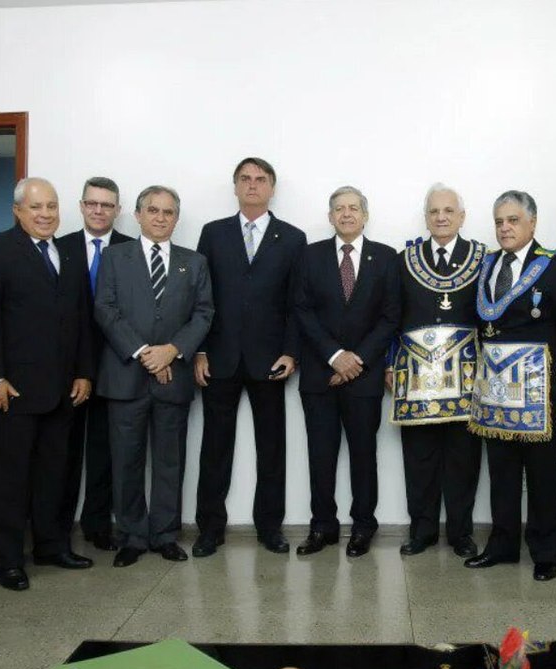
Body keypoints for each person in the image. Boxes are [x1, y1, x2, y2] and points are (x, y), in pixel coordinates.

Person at [0, 177, 95, 591]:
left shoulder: (70, 255)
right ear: (18, 211)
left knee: (52, 475)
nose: (45, 215)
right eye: (37, 207)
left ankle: (51, 546)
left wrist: (83, 372)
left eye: (52, 207)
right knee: (9, 478)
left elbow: (79, 320)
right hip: (11, 390)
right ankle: (7, 558)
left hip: (61, 390)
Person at [464, 190, 556, 582]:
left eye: (513, 220)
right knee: (501, 473)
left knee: (542, 476)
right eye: (499, 221)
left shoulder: (555, 266)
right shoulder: (486, 266)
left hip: (541, 393)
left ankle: (546, 552)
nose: (505, 228)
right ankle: (501, 546)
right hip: (496, 392)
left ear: (532, 223)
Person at [192, 157, 307, 557]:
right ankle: (209, 529)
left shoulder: (293, 238)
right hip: (219, 358)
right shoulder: (213, 233)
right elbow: (200, 297)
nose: (253, 185)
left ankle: (269, 527)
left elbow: (297, 303)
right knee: (214, 448)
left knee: (271, 448)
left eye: (260, 180)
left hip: (270, 360)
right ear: (235, 186)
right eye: (245, 179)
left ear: (272, 187)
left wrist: (292, 352)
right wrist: (200, 350)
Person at [94, 186, 214, 567]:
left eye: (168, 212)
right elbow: (105, 309)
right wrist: (145, 353)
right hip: (126, 375)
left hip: (173, 377)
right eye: (153, 210)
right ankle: (132, 534)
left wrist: (171, 351)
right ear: (138, 214)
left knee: (169, 461)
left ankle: (164, 534)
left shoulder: (193, 262)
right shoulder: (115, 257)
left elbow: (203, 313)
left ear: (176, 218)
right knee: (126, 461)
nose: (160, 218)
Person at [293, 186, 399, 557]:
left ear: (365, 215)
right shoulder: (309, 256)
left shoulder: (386, 258)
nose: (347, 214)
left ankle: (363, 527)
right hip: (319, 376)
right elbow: (302, 311)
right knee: (320, 455)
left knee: (363, 455)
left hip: (365, 376)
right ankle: (322, 527)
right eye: (339, 208)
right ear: (330, 217)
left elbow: (390, 317)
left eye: (354, 208)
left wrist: (356, 361)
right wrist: (335, 356)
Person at [386, 183, 485, 558]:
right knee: (420, 458)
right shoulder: (404, 260)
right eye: (434, 212)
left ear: (462, 216)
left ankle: (461, 533)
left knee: (463, 459)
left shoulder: (482, 257)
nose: (441, 218)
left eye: (448, 211)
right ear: (426, 217)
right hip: (416, 378)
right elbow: (392, 317)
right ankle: (422, 531)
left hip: (467, 377)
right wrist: (388, 363)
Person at [56, 177, 133, 552]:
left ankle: (98, 523)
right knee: (64, 451)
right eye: (92, 203)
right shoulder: (58, 247)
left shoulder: (132, 250)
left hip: (116, 364)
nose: (99, 211)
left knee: (105, 451)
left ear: (118, 210)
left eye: (107, 205)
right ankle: (56, 526)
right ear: (82, 206)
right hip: (66, 367)